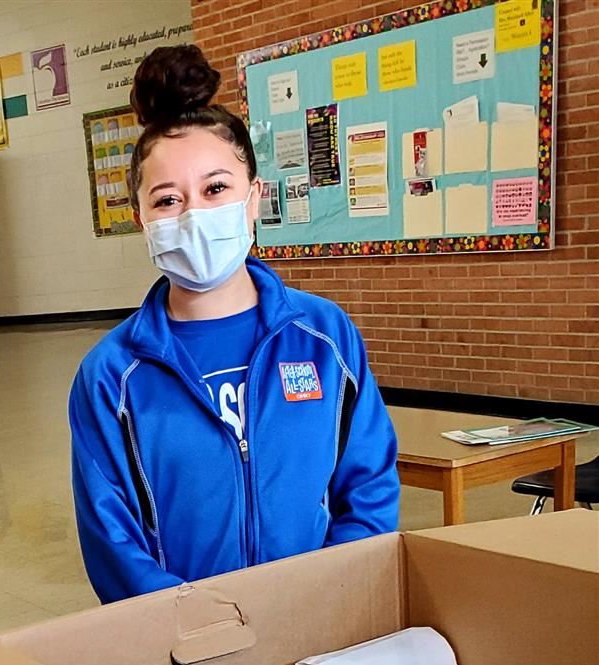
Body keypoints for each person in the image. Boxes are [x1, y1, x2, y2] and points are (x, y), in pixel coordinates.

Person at [69, 45, 399, 603]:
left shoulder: (325, 337)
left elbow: (368, 485)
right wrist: (201, 628)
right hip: (185, 648)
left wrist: (332, 597)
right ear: (141, 220)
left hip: (320, 620)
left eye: (216, 189)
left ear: (254, 199)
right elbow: (112, 539)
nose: (194, 215)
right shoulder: (111, 377)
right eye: (168, 199)